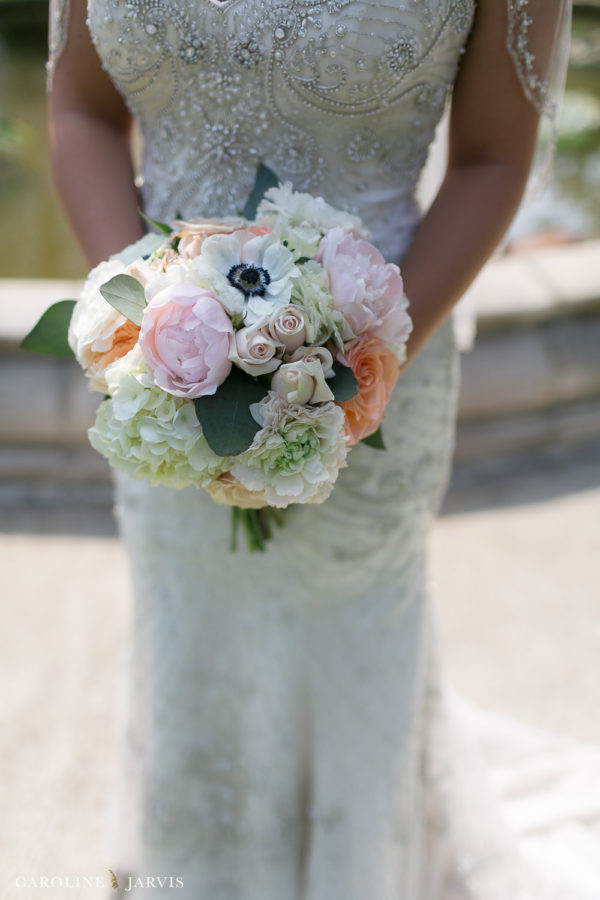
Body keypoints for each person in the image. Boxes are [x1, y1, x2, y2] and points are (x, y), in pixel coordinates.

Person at [47, 1, 599, 898]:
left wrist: (342, 380)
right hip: (165, 385)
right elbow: (80, 113)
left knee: (348, 670)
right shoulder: (159, 359)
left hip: (379, 379)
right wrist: (155, 334)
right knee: (190, 649)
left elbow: (496, 158)